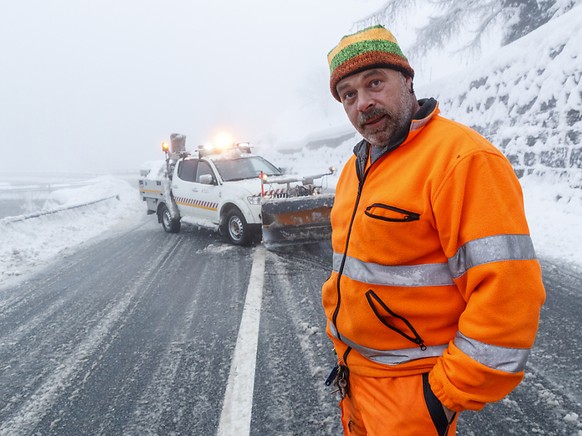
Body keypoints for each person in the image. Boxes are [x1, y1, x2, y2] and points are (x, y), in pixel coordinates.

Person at [321, 25, 546, 435]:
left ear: (407, 80)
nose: (363, 103)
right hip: (356, 382)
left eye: (375, 83)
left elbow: (510, 299)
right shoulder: (357, 169)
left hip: (413, 400)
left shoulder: (462, 160)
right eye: (348, 95)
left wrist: (442, 395)